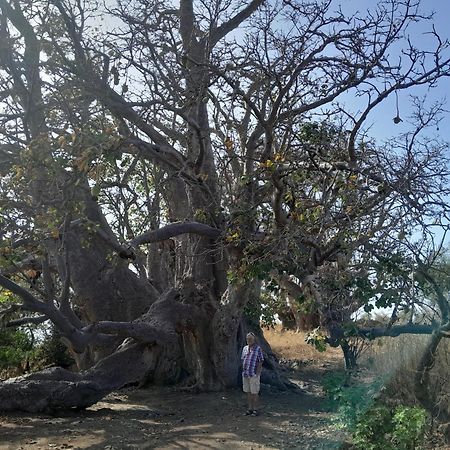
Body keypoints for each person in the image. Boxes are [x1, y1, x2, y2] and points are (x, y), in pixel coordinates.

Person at [241, 332, 264, 416]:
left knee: (254, 392)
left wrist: (257, 373)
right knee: (248, 392)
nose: (249, 340)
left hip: (253, 374)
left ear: (254, 339)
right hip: (245, 374)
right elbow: (243, 359)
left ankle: (255, 409)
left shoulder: (258, 349)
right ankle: (249, 409)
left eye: (250, 339)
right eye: (247, 339)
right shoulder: (245, 348)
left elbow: (261, 360)